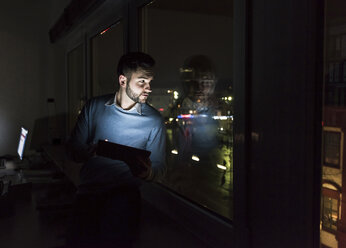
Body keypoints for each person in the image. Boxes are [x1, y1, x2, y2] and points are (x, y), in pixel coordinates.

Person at [65, 52, 166, 248]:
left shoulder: (154, 120)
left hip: (124, 198)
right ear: (123, 80)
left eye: (150, 82)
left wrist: (148, 172)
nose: (149, 89)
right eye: (142, 82)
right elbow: (72, 149)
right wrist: (90, 151)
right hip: (88, 195)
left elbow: (161, 167)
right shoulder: (93, 107)